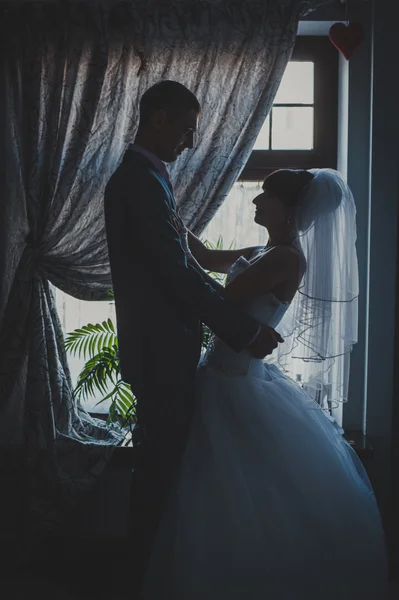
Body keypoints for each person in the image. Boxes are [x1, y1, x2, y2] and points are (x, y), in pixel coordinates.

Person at [141, 168, 389, 599]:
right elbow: (202, 258)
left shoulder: (286, 258)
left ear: (290, 211)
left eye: (266, 196)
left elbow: (221, 299)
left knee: (231, 492)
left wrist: (176, 273)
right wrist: (168, 219)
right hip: (222, 374)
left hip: (235, 384)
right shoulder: (264, 250)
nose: (256, 202)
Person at [103, 81, 283, 594]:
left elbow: (181, 265)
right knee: (158, 473)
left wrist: (234, 314)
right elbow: (174, 275)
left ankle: (150, 575)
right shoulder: (138, 182)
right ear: (158, 118)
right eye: (186, 129)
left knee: (162, 469)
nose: (189, 142)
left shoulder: (148, 180)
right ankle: (142, 582)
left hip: (163, 349)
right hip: (160, 354)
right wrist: (244, 329)